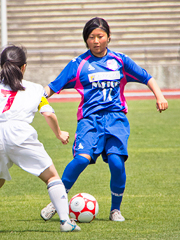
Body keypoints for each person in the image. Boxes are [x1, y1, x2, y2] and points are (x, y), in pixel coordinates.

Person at [40, 17, 168, 222]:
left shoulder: (120, 60)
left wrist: (159, 96)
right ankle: (58, 201)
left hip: (116, 120)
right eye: (91, 37)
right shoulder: (78, 64)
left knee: (117, 163)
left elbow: (146, 77)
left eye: (100, 36)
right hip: (89, 121)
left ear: (108, 37)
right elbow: (53, 86)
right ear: (86, 40)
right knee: (81, 159)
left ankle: (115, 210)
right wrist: (36, 99)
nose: (96, 41)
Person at [0, 45, 81, 232]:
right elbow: (49, 114)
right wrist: (60, 134)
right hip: (19, 134)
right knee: (52, 176)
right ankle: (65, 222)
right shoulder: (35, 89)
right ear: (23, 68)